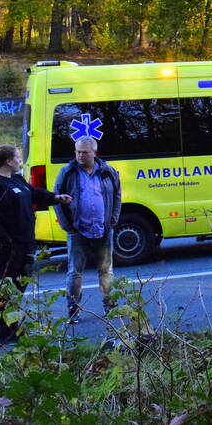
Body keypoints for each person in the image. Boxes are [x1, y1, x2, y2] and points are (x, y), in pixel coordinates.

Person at [0, 144, 72, 344]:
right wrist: (6, 244)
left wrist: (55, 198)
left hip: (24, 243)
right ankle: (4, 331)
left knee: (19, 286)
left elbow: (34, 193)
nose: (20, 161)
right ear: (9, 161)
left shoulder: (17, 179)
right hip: (7, 247)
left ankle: (14, 324)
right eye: (18, 158)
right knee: (5, 287)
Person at [53, 136, 122, 321]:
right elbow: (57, 199)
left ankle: (110, 306)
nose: (80, 156)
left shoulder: (108, 171)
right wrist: (68, 226)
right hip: (78, 230)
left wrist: (113, 220)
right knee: (75, 272)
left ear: (94, 153)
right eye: (77, 152)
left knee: (106, 271)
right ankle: (73, 308)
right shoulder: (67, 172)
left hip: (103, 229)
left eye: (85, 152)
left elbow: (117, 195)